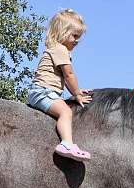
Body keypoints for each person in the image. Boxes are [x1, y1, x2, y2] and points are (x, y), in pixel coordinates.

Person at [27, 9, 93, 162]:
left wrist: (77, 90)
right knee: (66, 112)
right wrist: (77, 94)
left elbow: (63, 78)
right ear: (62, 33)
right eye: (74, 36)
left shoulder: (56, 49)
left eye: (79, 37)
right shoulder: (60, 50)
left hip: (43, 91)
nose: (77, 41)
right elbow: (68, 74)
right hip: (43, 92)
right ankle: (66, 144)